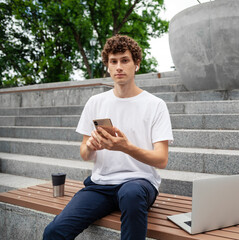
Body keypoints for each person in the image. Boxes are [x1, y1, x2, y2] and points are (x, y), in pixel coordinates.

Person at [43, 35, 174, 240]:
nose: (119, 67)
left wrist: (126, 147)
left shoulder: (155, 105)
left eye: (125, 60)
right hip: (100, 185)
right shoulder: (95, 102)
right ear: (108, 66)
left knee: (130, 194)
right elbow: (84, 153)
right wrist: (92, 146)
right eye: (113, 61)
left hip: (139, 183)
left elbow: (162, 159)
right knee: (53, 232)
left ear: (136, 64)